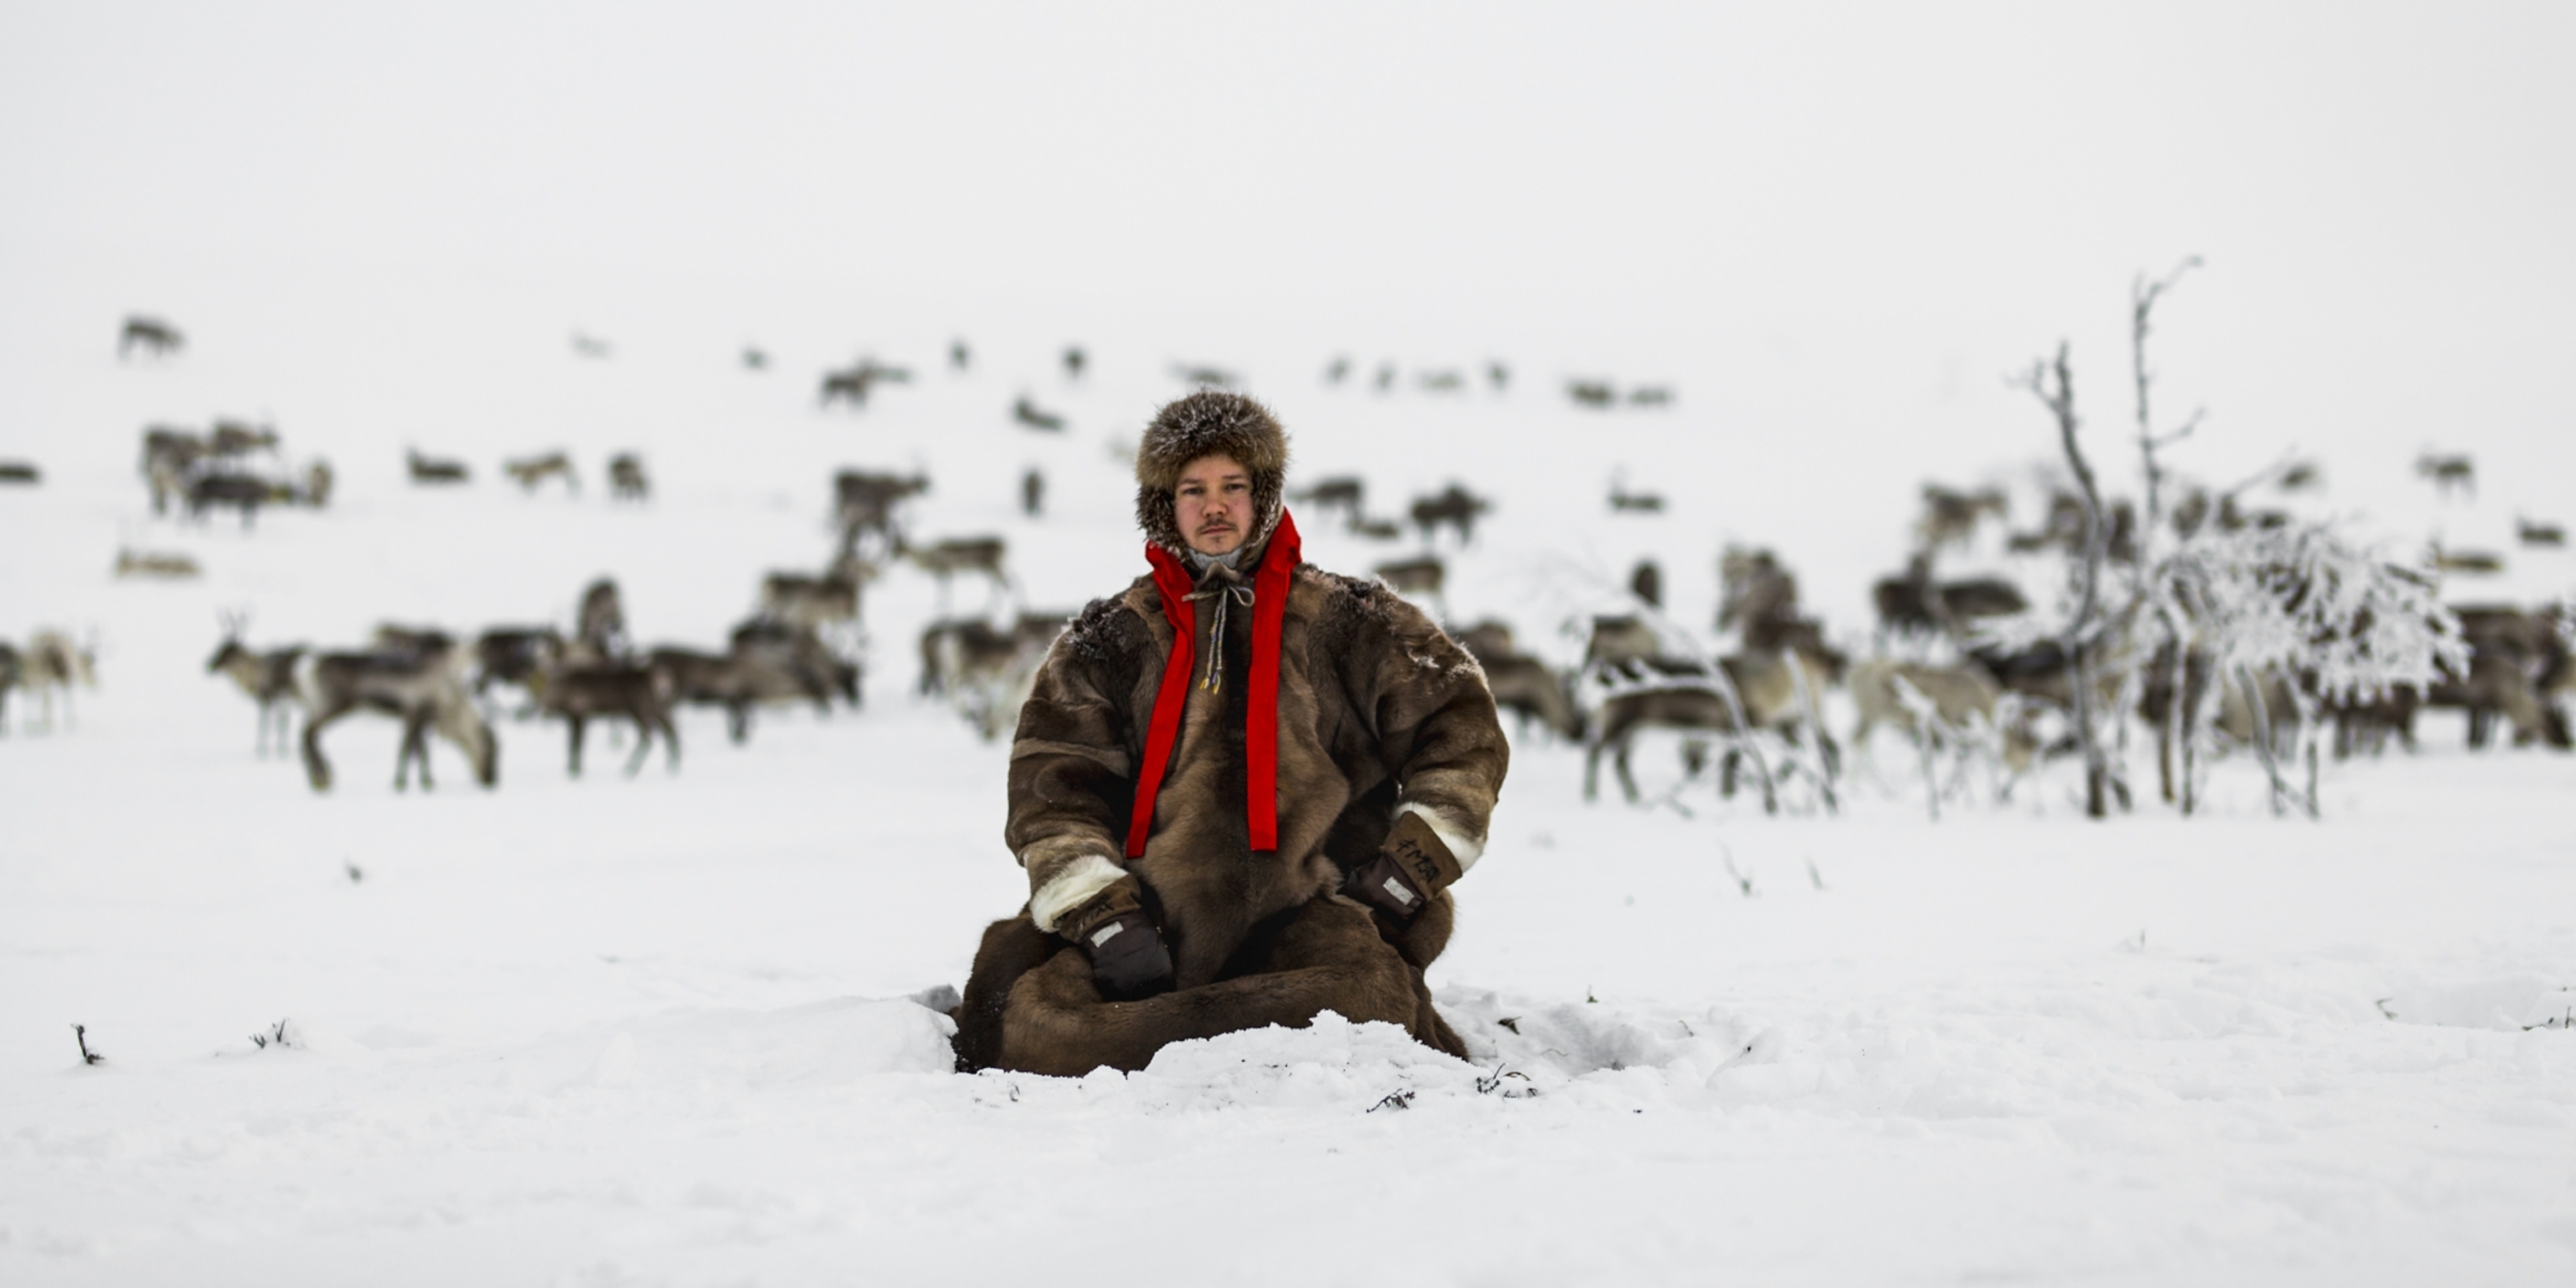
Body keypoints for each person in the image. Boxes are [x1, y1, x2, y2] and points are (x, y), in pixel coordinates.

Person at [951, 390, 1509, 1075]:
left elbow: (1463, 735)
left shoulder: (1357, 621)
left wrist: (1405, 872)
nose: (1215, 507)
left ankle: (1182, 1046)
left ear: (1263, 495)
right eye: (1194, 490)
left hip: (1317, 908)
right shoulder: (1106, 642)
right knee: (1036, 1024)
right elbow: (1053, 795)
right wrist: (1102, 915)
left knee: (1364, 1001)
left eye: (1233, 487)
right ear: (1164, 505)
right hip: (1148, 920)